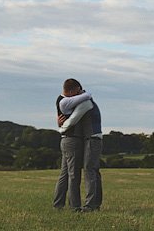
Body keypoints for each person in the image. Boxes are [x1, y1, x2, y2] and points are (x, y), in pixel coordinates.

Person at [57, 81, 103, 211]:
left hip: (92, 139)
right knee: (93, 171)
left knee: (90, 171)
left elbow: (73, 120)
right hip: (92, 139)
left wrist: (61, 129)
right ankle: (94, 204)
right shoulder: (86, 101)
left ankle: (90, 205)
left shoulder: (85, 103)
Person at [52, 78, 93, 211]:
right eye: (76, 91)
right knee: (74, 175)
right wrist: (83, 93)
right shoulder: (64, 101)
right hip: (72, 140)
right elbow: (87, 96)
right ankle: (74, 206)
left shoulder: (62, 100)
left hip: (66, 140)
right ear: (71, 90)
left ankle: (58, 204)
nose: (78, 94)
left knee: (65, 174)